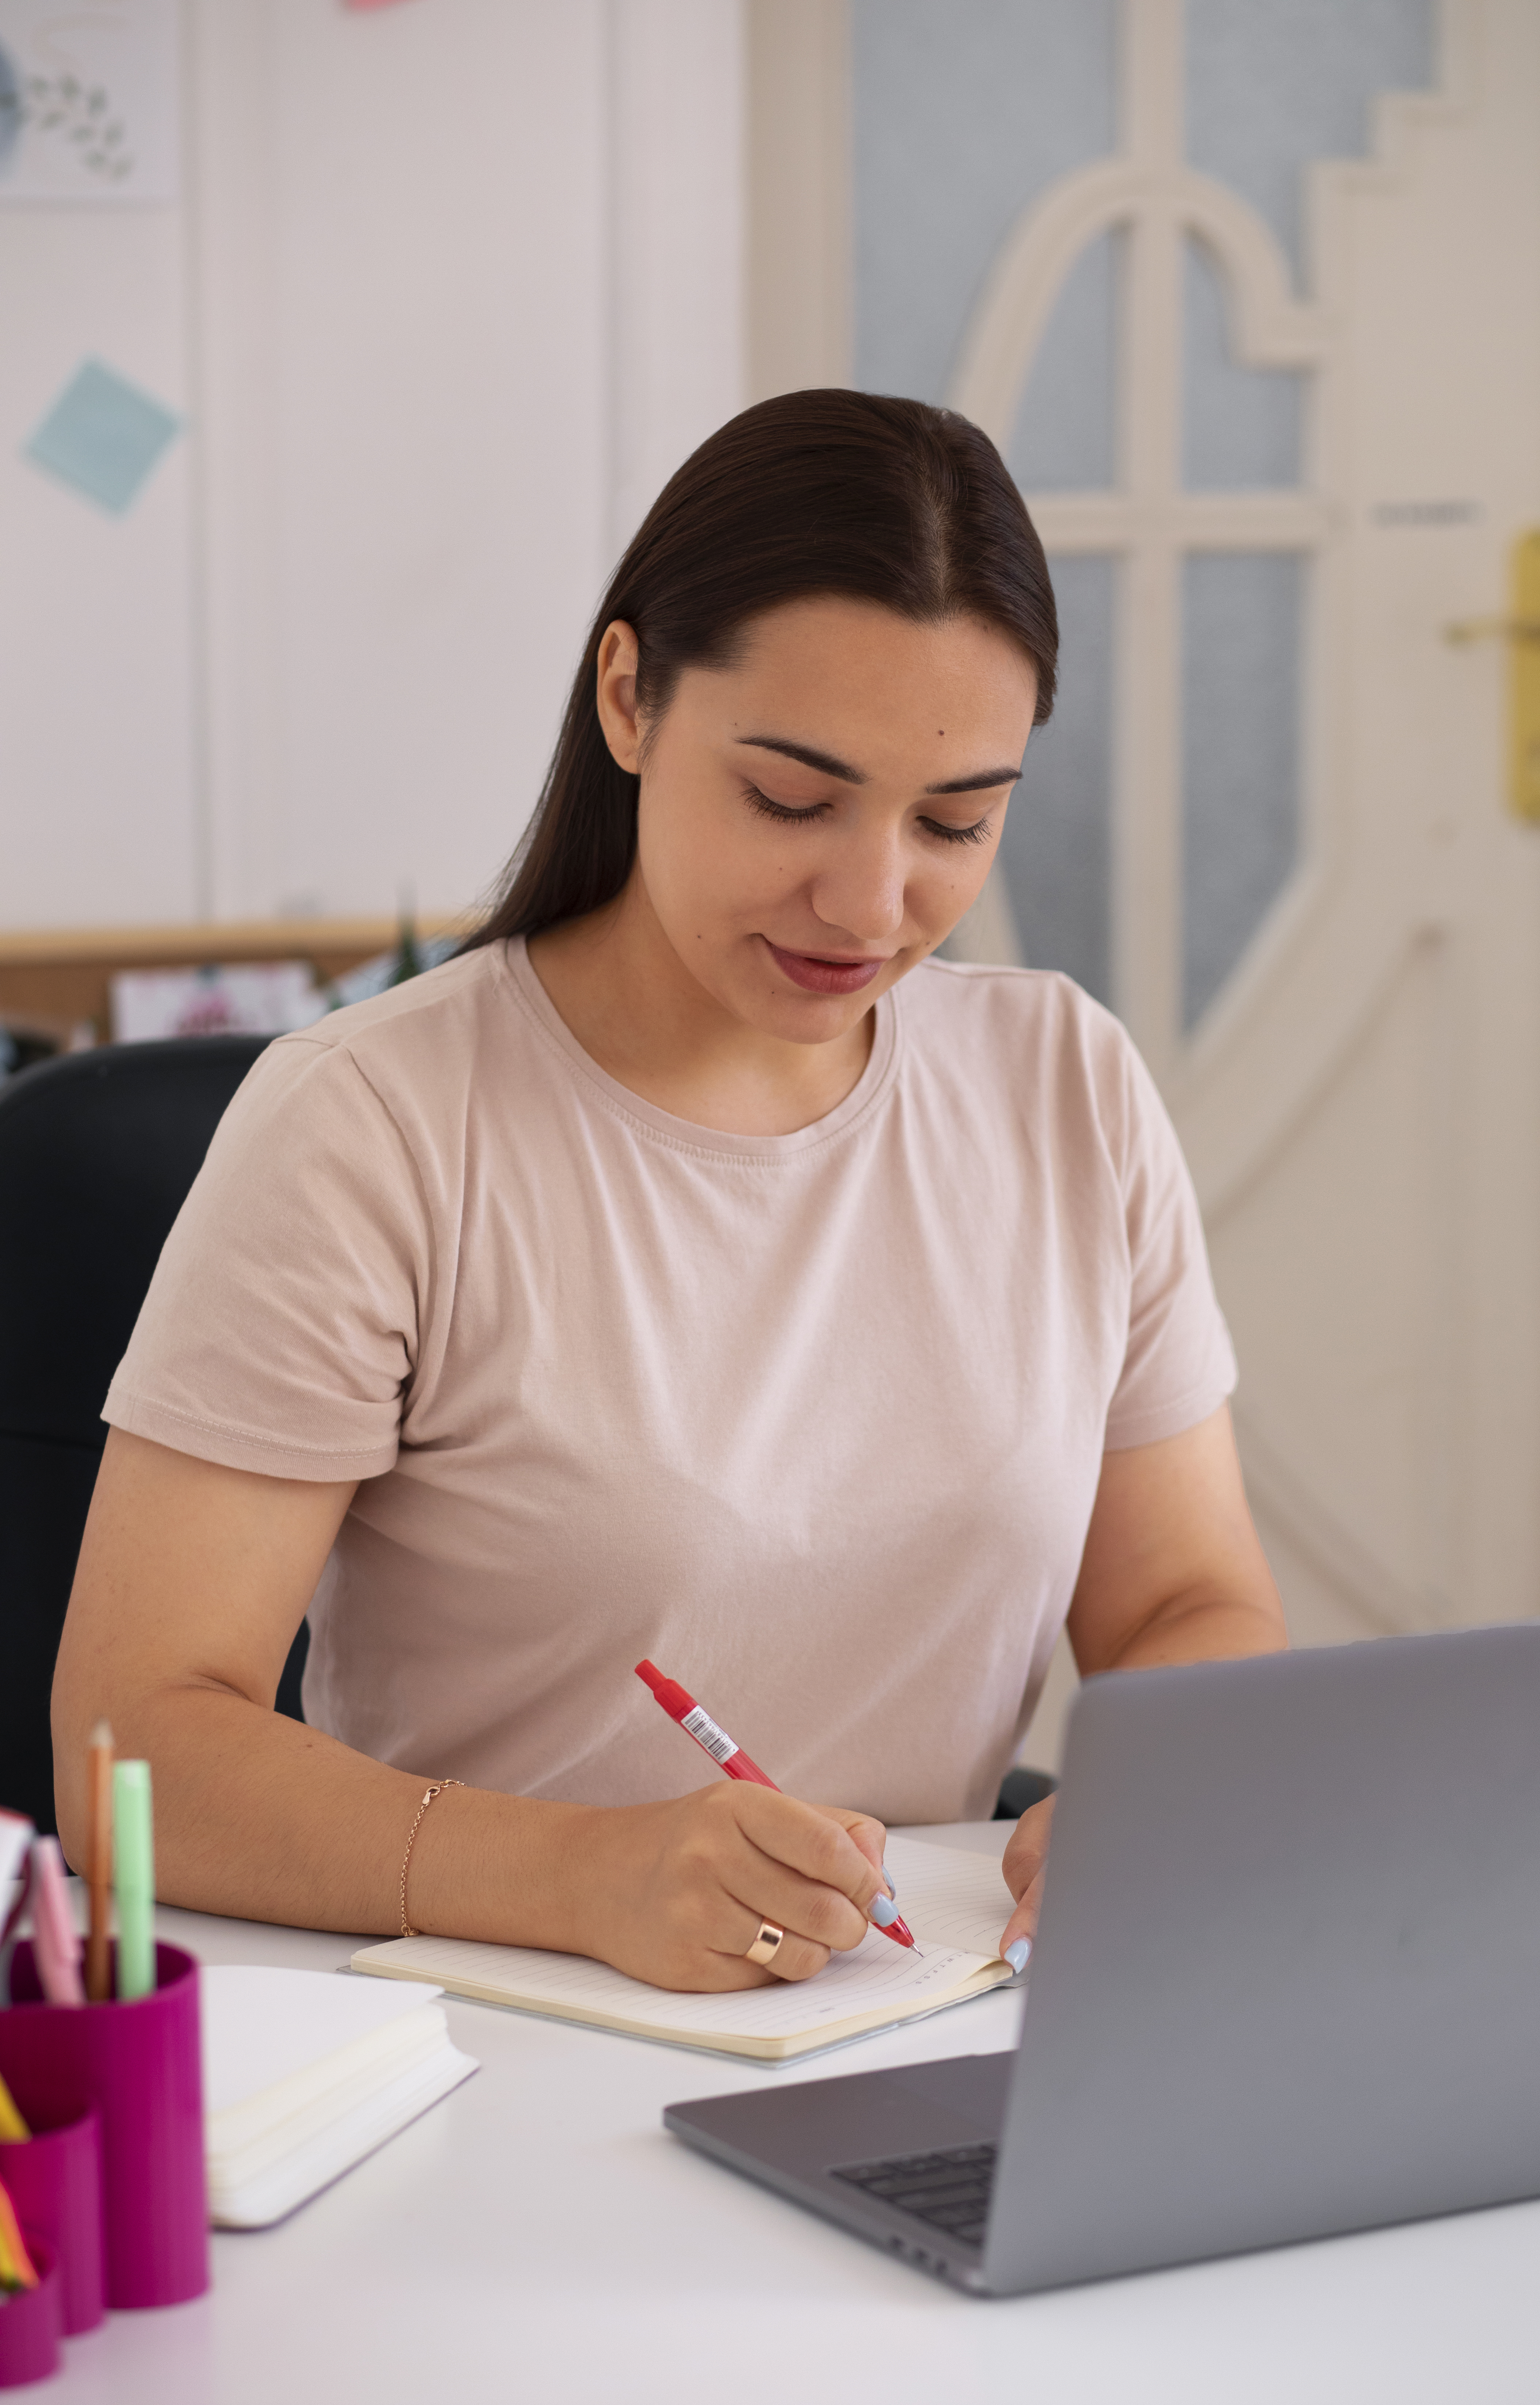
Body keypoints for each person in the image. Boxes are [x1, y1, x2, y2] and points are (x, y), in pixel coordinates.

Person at [52, 391, 1284, 1991]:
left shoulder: (1067, 1084)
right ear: (630, 697)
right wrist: (583, 1876)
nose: (871, 902)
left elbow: (1188, 1599)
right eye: (791, 800)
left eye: (955, 820)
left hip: (927, 2011)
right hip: (502, 2032)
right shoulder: (373, 1123)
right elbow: (133, 1746)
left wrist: (1161, 1774)